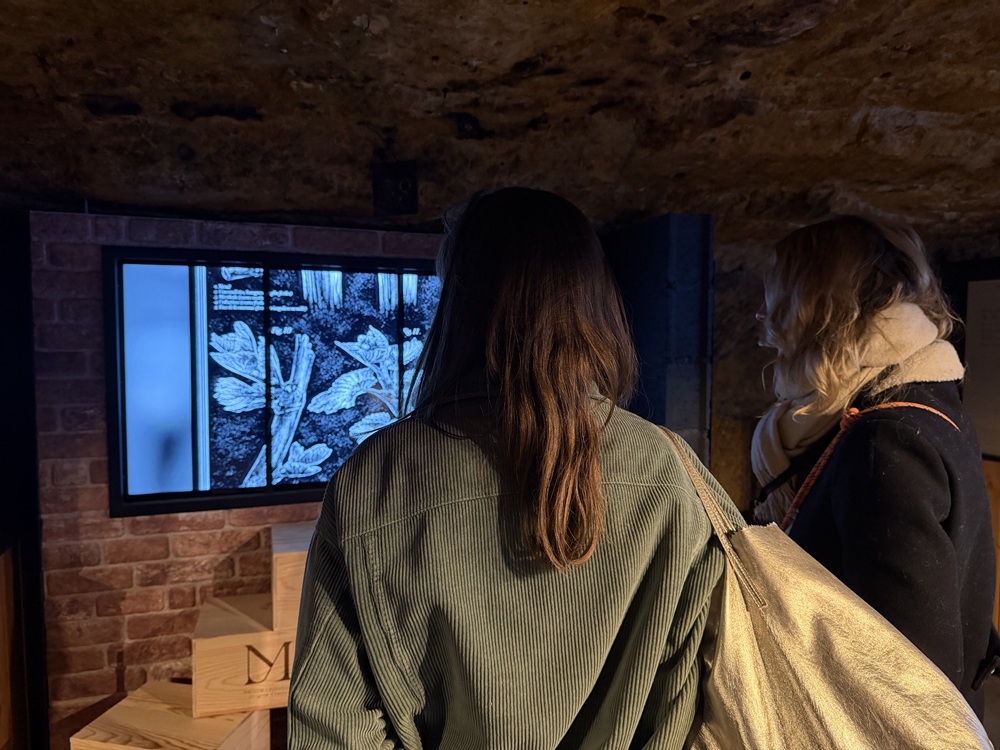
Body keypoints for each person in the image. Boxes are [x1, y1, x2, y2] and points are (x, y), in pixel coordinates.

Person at [288, 187, 742, 748]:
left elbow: (331, 731)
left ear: (456, 305)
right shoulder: (675, 475)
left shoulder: (372, 481)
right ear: (595, 301)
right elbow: (688, 713)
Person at [750, 215, 996, 715]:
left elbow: (911, 684)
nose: (765, 317)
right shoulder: (927, 397)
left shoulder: (885, 439)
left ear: (817, 308)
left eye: (779, 298)